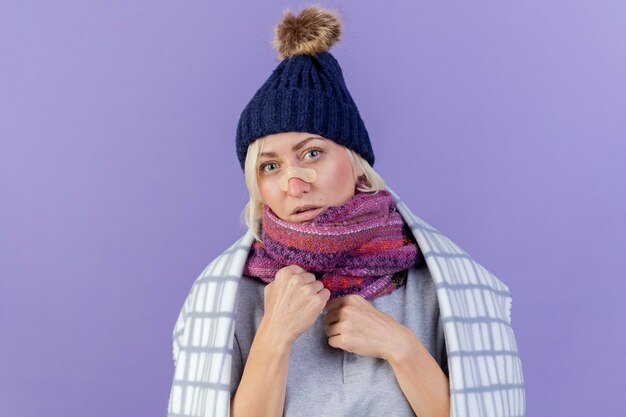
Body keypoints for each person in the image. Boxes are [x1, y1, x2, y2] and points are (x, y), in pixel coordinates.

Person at [167, 6, 526, 417]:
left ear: (356, 164)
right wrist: (274, 335)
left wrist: (402, 347)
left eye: (313, 153)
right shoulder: (230, 295)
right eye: (270, 166)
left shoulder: (440, 288)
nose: (294, 181)